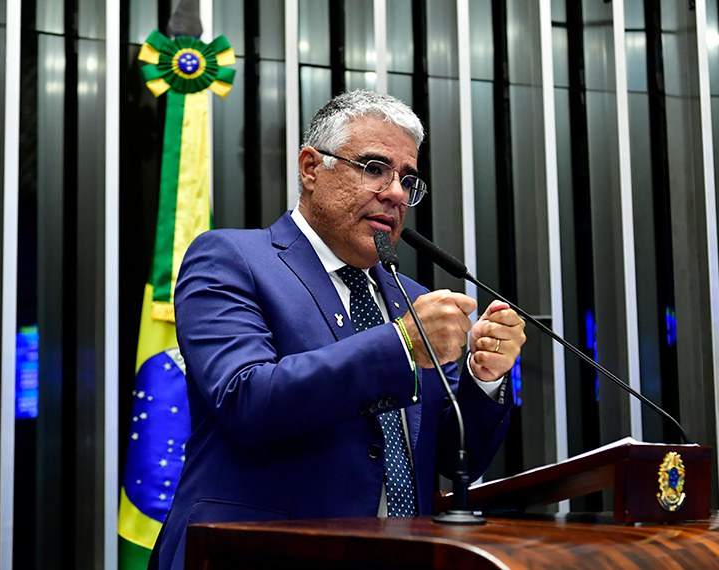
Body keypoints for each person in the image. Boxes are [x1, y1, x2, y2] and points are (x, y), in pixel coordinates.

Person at [150, 90, 527, 568]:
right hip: (258, 553)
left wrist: (486, 377)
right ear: (311, 168)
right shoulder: (230, 259)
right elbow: (246, 398)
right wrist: (401, 344)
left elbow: (458, 458)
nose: (395, 192)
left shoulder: (409, 297)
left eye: (407, 179)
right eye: (374, 168)